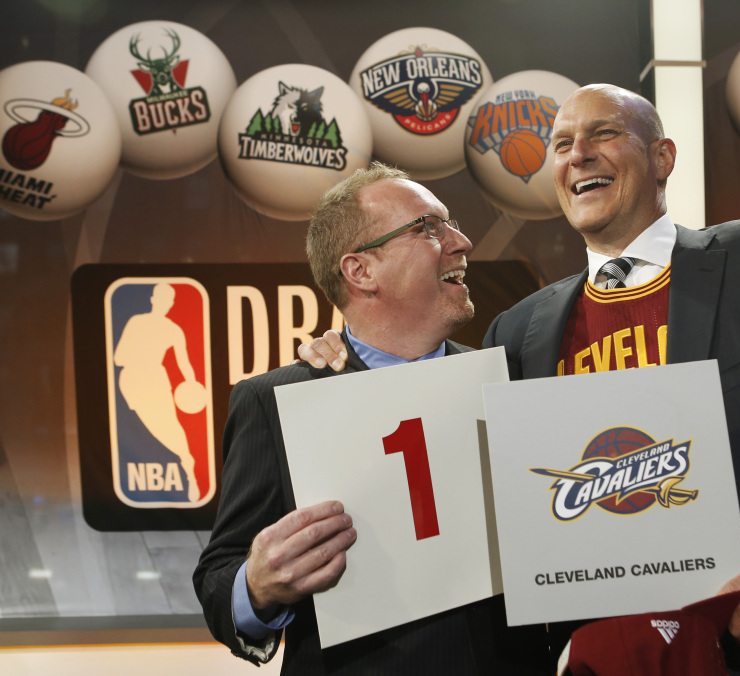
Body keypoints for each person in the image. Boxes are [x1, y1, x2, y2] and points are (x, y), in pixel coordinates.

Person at [302, 85, 740, 675]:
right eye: (560, 143)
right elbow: (450, 480)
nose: (577, 154)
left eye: (603, 133)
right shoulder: (521, 331)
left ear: (662, 158)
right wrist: (348, 361)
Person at [193, 163, 550, 675]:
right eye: (429, 228)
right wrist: (256, 586)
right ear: (360, 271)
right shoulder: (278, 401)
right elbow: (217, 583)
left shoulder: (509, 380)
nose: (462, 241)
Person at [114, 282, 202, 502]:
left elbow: (184, 364)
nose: (165, 304)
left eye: (169, 300)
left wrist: (191, 384)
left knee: (171, 427)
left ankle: (189, 469)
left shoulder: (173, 330)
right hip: (132, 382)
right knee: (151, 429)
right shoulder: (136, 322)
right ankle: (185, 462)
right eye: (161, 299)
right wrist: (140, 355)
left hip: (157, 380)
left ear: (171, 304)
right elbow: (118, 358)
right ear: (153, 299)